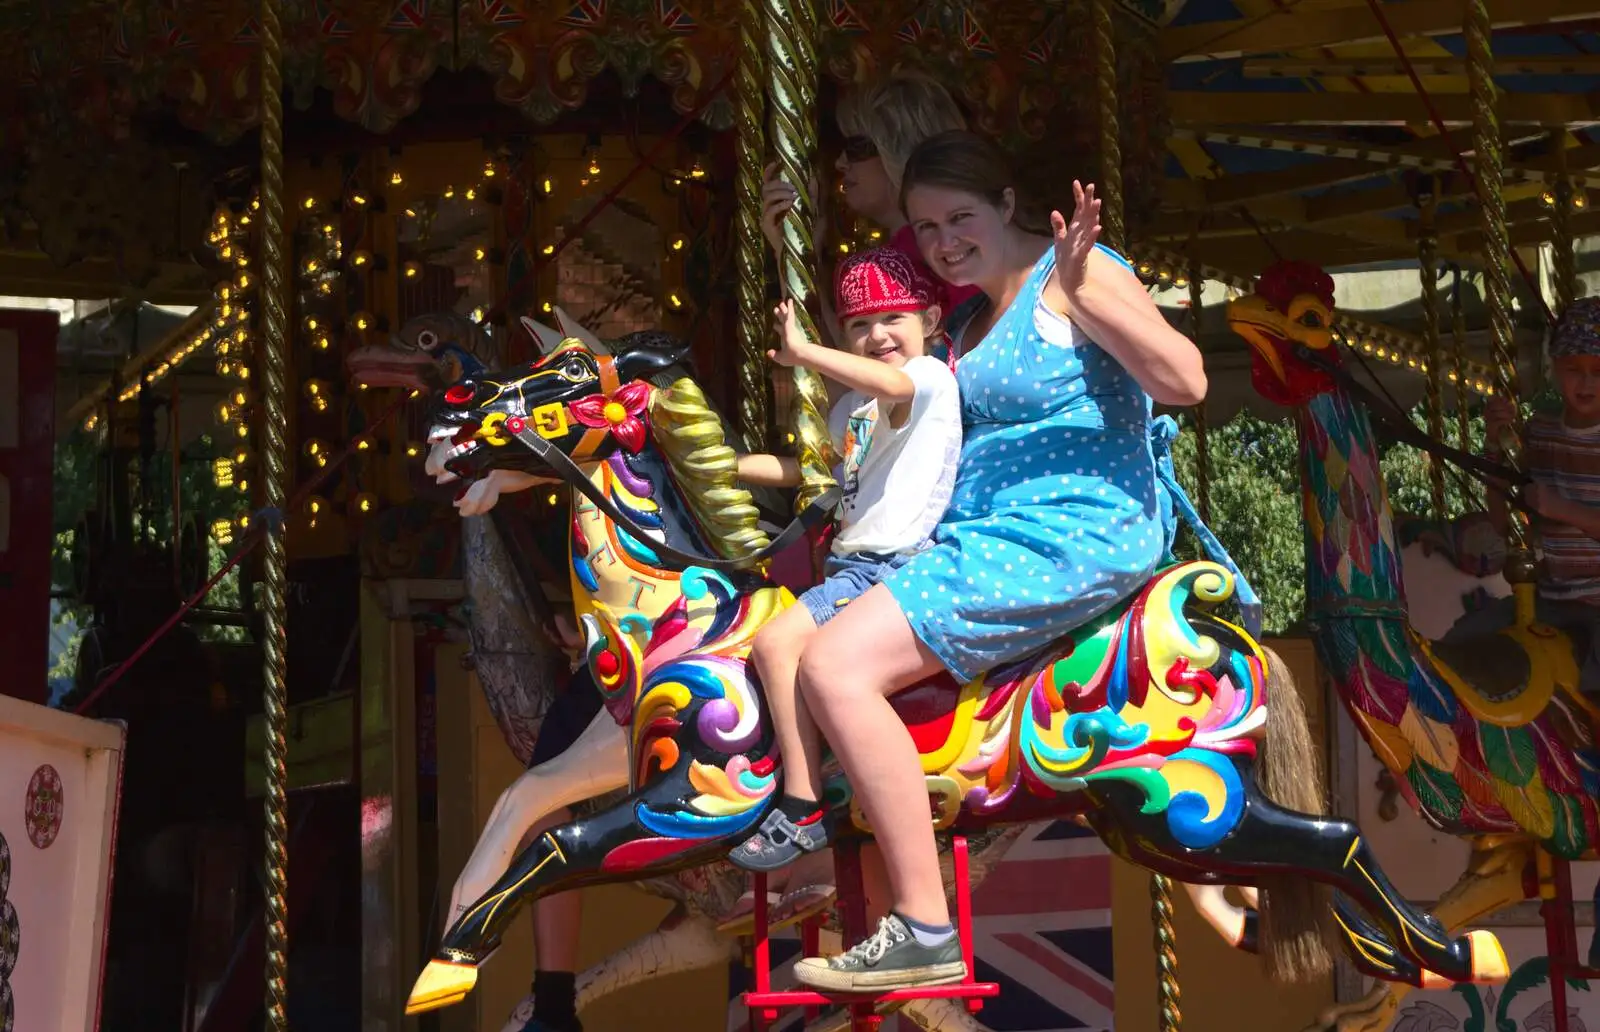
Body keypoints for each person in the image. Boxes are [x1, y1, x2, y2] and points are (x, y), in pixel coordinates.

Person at [785, 130, 1207, 993]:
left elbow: (1186, 380)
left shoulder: (1072, 273)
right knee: (789, 636)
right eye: (926, 225)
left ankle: (924, 926)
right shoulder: (969, 316)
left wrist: (1091, 288)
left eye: (961, 217)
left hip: (1067, 529)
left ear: (1009, 202)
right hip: (973, 537)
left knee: (835, 667)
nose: (944, 241)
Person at [732, 247, 962, 870]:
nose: (877, 334)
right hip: (850, 565)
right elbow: (809, 471)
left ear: (933, 320)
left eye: (894, 317)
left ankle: (801, 803)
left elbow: (893, 382)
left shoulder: (932, 379)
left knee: (777, 646)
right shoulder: (851, 411)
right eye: (859, 324)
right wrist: (714, 466)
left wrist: (802, 352)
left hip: (891, 565)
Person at [760, 69, 976, 355]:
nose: (840, 162)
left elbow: (850, 372)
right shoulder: (909, 248)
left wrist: (791, 253)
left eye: (856, 148)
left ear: (899, 147)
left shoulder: (931, 251)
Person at [1457, 296, 1600, 692]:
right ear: (1554, 369)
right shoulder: (1538, 434)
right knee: (1460, 646)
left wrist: (1560, 507)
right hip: (1550, 598)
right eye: (1574, 370)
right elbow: (1503, 523)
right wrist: (1495, 443)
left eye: (1597, 372)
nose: (1586, 383)